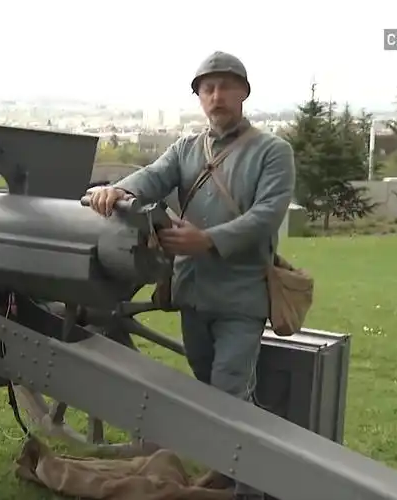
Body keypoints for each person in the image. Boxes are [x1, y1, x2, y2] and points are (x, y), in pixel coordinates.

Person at [85, 51, 295, 500]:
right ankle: (236, 468)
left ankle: (252, 488)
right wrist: (117, 189)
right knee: (214, 393)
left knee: (228, 393)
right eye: (208, 88)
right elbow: (152, 177)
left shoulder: (273, 152)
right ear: (199, 97)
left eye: (225, 86)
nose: (217, 96)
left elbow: (265, 217)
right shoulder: (186, 150)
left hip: (242, 298)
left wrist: (207, 240)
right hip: (193, 294)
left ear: (244, 92)